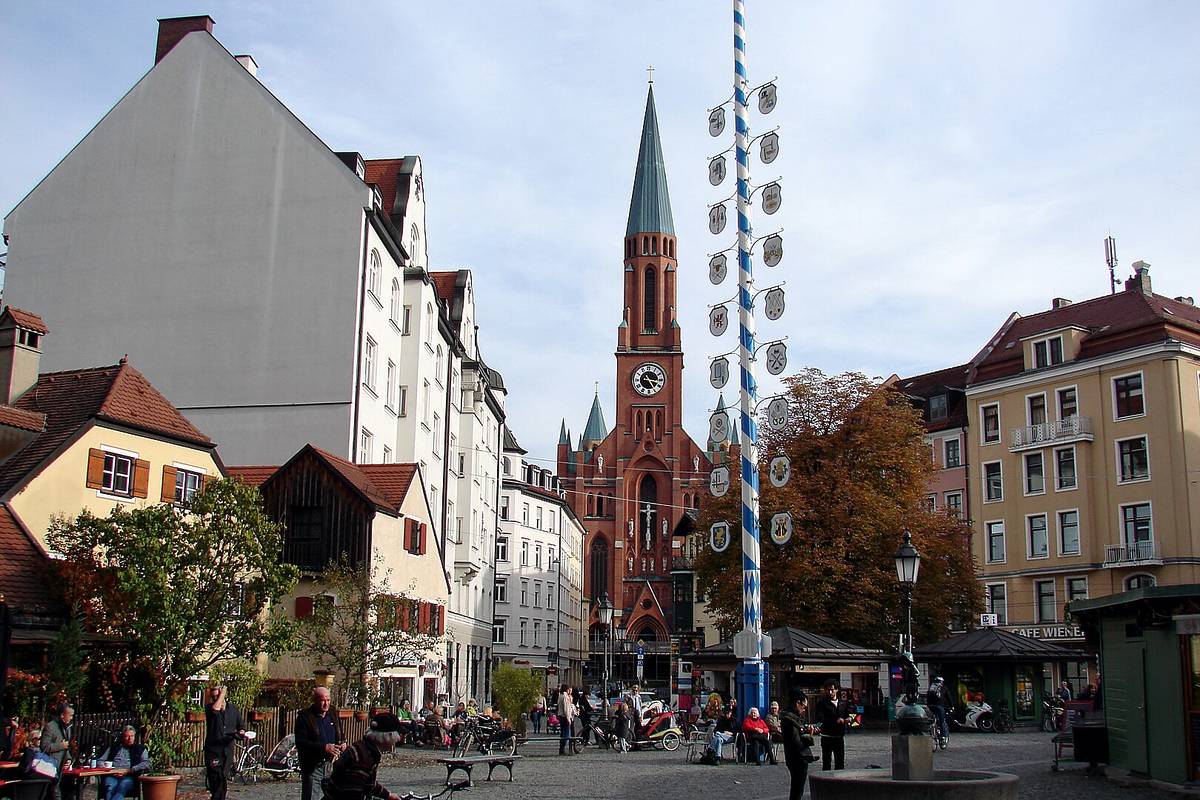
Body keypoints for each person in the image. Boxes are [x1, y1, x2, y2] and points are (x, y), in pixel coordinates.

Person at [321, 713, 404, 800]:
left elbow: (368, 782)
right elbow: (353, 792)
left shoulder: (365, 747)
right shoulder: (363, 758)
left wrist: (388, 795)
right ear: (388, 736)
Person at [297, 686, 345, 800]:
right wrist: (324, 747)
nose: (326, 704)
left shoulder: (332, 713)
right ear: (315, 700)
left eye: (328, 700)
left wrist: (343, 742)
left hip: (331, 765)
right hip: (313, 766)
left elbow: (340, 733)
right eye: (323, 700)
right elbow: (301, 743)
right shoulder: (305, 717)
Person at [203, 685, 247, 800]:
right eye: (213, 697)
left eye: (217, 696)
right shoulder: (210, 708)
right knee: (216, 779)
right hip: (213, 750)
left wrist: (241, 732)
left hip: (227, 750)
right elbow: (215, 709)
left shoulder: (233, 709)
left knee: (223, 779)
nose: (215, 699)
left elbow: (241, 726)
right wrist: (222, 694)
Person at [780, 692, 819, 800]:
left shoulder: (792, 717)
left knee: (797, 788)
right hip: (797, 758)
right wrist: (809, 735)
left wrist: (805, 730)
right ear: (798, 703)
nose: (804, 710)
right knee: (797, 789)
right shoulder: (790, 719)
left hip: (795, 757)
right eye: (804, 707)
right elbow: (797, 743)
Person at [100, 725, 151, 800]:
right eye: (127, 736)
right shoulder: (114, 748)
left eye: (132, 736)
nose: (130, 739)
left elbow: (146, 763)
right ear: (123, 737)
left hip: (129, 777)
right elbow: (100, 761)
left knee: (122, 786)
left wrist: (131, 770)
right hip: (112, 775)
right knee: (110, 787)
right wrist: (106, 768)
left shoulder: (140, 749)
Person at [40, 702, 75, 800]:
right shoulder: (50, 727)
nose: (71, 718)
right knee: (54, 792)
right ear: (62, 715)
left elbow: (66, 747)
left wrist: (68, 759)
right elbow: (44, 747)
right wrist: (61, 745)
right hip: (50, 766)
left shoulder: (66, 728)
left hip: (61, 766)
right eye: (70, 715)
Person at [815, 680, 846, 771]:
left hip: (839, 736)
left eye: (832, 690)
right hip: (827, 736)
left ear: (837, 690)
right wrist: (835, 721)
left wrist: (849, 720)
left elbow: (849, 715)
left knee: (840, 762)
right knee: (826, 762)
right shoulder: (822, 703)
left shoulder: (842, 703)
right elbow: (820, 718)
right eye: (828, 690)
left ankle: (839, 782)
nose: (830, 692)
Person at [926, 676, 948, 743]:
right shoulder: (942, 688)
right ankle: (943, 737)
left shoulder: (931, 688)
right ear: (941, 682)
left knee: (932, 718)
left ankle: (932, 727)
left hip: (930, 706)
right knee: (942, 722)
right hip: (939, 706)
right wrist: (951, 707)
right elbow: (948, 698)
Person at [556, 683, 576, 755]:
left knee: (562, 733)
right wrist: (568, 718)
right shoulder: (565, 696)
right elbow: (566, 709)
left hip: (561, 716)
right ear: (566, 689)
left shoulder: (560, 696)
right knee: (567, 734)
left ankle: (561, 748)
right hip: (564, 717)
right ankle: (563, 748)